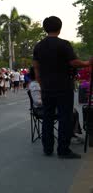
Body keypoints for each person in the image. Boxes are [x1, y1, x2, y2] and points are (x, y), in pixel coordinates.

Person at [33, 16, 92, 159]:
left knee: (48, 117)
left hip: (47, 88)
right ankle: (63, 149)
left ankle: (47, 148)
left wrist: (42, 83)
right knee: (64, 117)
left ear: (45, 29)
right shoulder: (64, 44)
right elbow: (73, 62)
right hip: (64, 87)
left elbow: (36, 68)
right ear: (60, 28)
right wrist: (87, 63)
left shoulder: (38, 46)